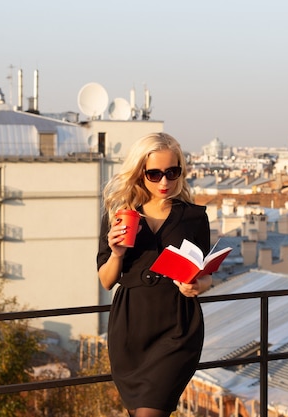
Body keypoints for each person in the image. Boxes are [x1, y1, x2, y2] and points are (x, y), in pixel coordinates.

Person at [97, 132, 212, 417]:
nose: (165, 182)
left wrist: (198, 285)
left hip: (177, 328)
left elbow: (205, 274)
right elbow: (106, 280)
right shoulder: (119, 214)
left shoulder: (194, 217)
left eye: (172, 173)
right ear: (139, 173)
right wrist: (117, 253)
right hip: (130, 328)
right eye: (155, 174)